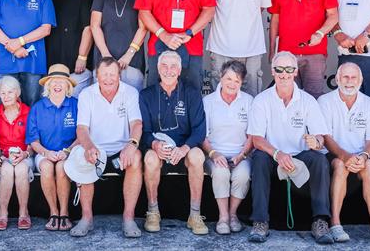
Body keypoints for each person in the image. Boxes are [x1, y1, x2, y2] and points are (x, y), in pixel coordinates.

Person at [247, 51, 332, 244]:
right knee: (259, 158)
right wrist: (277, 154)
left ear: (295, 72)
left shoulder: (308, 100)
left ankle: (320, 221)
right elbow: (257, 139)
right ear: (273, 71)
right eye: (279, 69)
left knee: (320, 160)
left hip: (300, 155)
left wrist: (316, 142)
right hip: (273, 154)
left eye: (288, 69)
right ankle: (260, 222)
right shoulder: (262, 100)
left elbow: (320, 137)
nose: (284, 74)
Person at [319, 63, 370, 245]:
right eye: (345, 77)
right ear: (337, 79)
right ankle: (335, 223)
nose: (349, 82)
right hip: (334, 154)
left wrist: (364, 156)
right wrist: (345, 156)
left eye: (353, 78)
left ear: (360, 81)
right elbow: (326, 137)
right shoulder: (324, 101)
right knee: (341, 166)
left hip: (361, 155)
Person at [72, 57, 143, 238]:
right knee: (82, 156)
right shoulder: (87, 94)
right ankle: (86, 217)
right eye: (104, 74)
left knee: (136, 157)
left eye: (112, 74)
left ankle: (128, 218)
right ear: (97, 76)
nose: (108, 79)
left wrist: (132, 145)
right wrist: (88, 147)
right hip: (96, 148)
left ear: (119, 75)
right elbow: (82, 128)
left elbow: (136, 124)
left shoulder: (131, 92)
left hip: (122, 149)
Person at [139, 50, 208, 235]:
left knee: (197, 155)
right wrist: (154, 145)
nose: (168, 70)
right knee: (151, 159)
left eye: (173, 67)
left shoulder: (191, 93)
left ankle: (195, 215)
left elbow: (200, 130)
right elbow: (143, 132)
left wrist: (184, 148)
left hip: (184, 148)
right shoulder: (146, 95)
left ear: (179, 70)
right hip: (158, 148)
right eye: (164, 66)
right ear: (157, 68)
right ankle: (153, 211)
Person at [268, 0, 338, 99]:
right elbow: (275, 20)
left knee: (313, 99)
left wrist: (320, 33)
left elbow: (333, 16)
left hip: (314, 53)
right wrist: (272, 51)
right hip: (286, 54)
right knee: (286, 98)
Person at [201, 60, 253, 235]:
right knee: (221, 172)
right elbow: (202, 136)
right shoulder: (208, 102)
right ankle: (223, 217)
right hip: (213, 153)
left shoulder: (248, 101)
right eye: (228, 78)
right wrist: (214, 154)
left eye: (237, 80)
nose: (232, 84)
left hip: (241, 154)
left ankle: (232, 215)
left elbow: (252, 136)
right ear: (221, 78)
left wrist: (242, 155)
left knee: (243, 175)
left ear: (242, 83)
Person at [25, 64, 79, 231]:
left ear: (68, 85)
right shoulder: (38, 108)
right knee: (47, 168)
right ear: (48, 85)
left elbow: (83, 134)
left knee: (62, 168)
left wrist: (67, 151)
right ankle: (53, 212)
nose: (57, 85)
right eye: (54, 81)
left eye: (62, 81)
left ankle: (64, 213)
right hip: (44, 151)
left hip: (69, 151)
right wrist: (46, 152)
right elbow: (33, 140)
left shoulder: (75, 105)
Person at [90, 0, 147, 91]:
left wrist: (128, 55)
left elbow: (143, 28)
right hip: (103, 62)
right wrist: (106, 55)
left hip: (131, 63)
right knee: (103, 107)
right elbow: (94, 25)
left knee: (131, 107)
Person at [46, 0, 95, 94]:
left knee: (73, 102)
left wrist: (82, 57)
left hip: (76, 64)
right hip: (55, 64)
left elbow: (89, 29)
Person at [0, 75, 33, 231]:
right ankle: (2, 214)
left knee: (21, 168)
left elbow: (33, 142)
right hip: (2, 156)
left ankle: (23, 213)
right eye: (3, 93)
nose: (6, 96)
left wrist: (25, 154)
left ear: (17, 93)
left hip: (24, 155)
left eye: (10, 92)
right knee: (7, 169)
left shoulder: (28, 112)